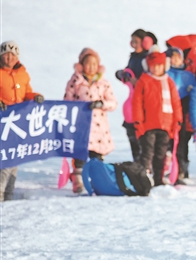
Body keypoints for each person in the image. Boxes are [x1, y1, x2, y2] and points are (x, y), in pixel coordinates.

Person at [63, 48, 118, 193]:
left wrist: (102, 104)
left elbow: (113, 103)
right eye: (88, 63)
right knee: (80, 153)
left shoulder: (103, 83)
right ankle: (78, 180)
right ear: (82, 65)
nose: (91, 67)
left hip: (99, 126)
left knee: (97, 156)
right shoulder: (75, 81)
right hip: (80, 124)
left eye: (94, 64)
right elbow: (67, 101)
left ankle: (98, 181)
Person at [0, 40, 44, 202]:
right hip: (3, 122)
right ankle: (1, 193)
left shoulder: (22, 74)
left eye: (13, 54)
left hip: (18, 123)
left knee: (14, 158)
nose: (9, 58)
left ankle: (9, 194)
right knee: (7, 157)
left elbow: (27, 93)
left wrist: (35, 97)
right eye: (6, 54)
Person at [132, 47, 182, 187]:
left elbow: (175, 102)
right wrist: (138, 122)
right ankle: (142, 179)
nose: (156, 69)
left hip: (166, 125)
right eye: (153, 66)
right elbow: (137, 103)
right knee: (147, 153)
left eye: (159, 66)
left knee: (161, 155)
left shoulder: (169, 82)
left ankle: (158, 179)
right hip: (148, 125)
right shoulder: (144, 81)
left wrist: (177, 121)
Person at [116, 29, 149, 162]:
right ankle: (137, 163)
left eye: (136, 41)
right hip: (132, 99)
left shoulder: (147, 58)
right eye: (132, 41)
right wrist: (124, 75)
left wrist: (139, 81)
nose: (133, 44)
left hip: (144, 101)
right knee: (131, 132)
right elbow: (126, 73)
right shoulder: (133, 57)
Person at [166, 46, 196, 184]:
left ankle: (183, 170)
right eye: (171, 58)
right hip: (168, 112)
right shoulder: (165, 74)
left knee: (182, 142)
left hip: (184, 113)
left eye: (177, 57)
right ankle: (169, 170)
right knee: (168, 142)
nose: (174, 60)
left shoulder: (189, 76)